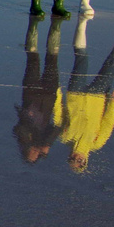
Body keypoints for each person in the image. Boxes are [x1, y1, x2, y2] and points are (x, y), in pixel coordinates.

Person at [58, 13, 114, 172]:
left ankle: (82, 21)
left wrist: (57, 93)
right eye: (80, 161)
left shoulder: (65, 137)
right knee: (113, 61)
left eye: (72, 159)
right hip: (98, 96)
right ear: (85, 161)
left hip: (75, 93)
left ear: (69, 156)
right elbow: (108, 122)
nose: (77, 157)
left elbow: (58, 113)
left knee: (81, 57)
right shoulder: (96, 142)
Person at [13, 17, 66, 163]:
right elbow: (57, 128)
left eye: (31, 153)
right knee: (52, 58)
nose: (34, 151)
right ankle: (56, 25)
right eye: (35, 155)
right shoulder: (43, 139)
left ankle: (33, 23)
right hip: (49, 95)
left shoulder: (22, 137)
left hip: (31, 92)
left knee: (33, 58)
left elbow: (22, 127)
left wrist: (31, 143)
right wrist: (47, 144)